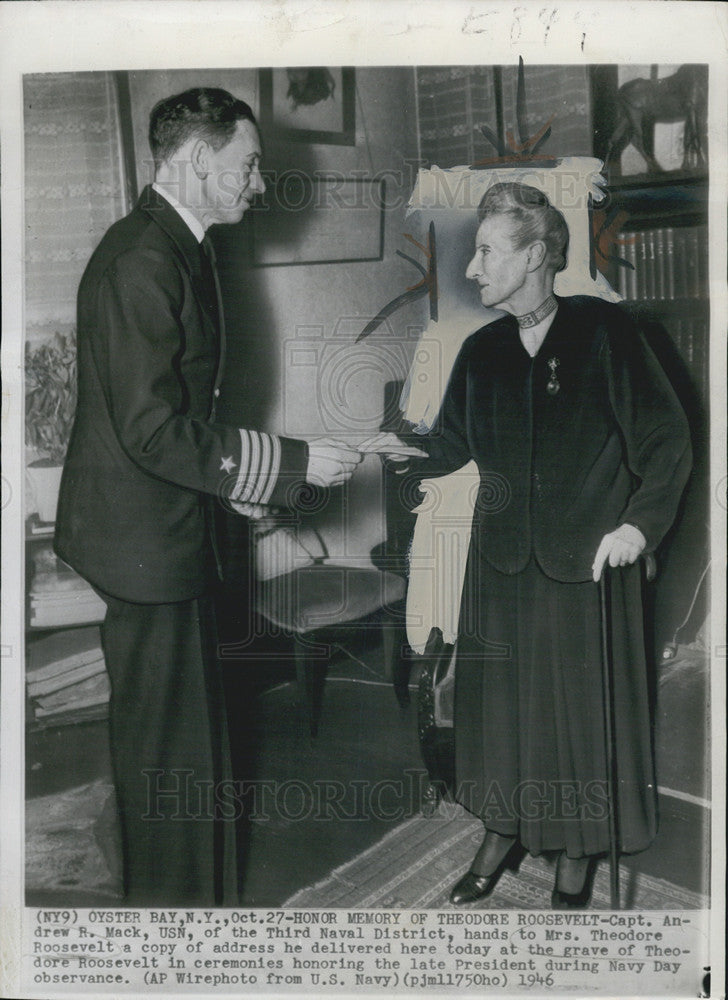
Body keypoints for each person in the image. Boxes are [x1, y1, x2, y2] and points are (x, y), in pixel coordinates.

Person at [54, 87, 361, 906]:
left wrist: (243, 494)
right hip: (142, 542)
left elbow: (186, 413)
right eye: (248, 165)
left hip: (169, 525)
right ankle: (173, 931)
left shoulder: (178, 244)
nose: (259, 184)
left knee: (189, 743)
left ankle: (195, 911)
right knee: (168, 753)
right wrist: (289, 466)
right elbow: (153, 430)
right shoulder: (143, 261)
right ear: (196, 161)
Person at [380, 182, 691, 907]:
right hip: (500, 562)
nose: (471, 269)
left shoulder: (607, 333)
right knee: (504, 714)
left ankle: (578, 850)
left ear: (538, 255)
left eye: (488, 251)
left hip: (586, 563)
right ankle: (503, 828)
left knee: (576, 718)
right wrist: (401, 448)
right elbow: (453, 440)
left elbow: (667, 441)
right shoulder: (482, 348)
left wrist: (636, 527)